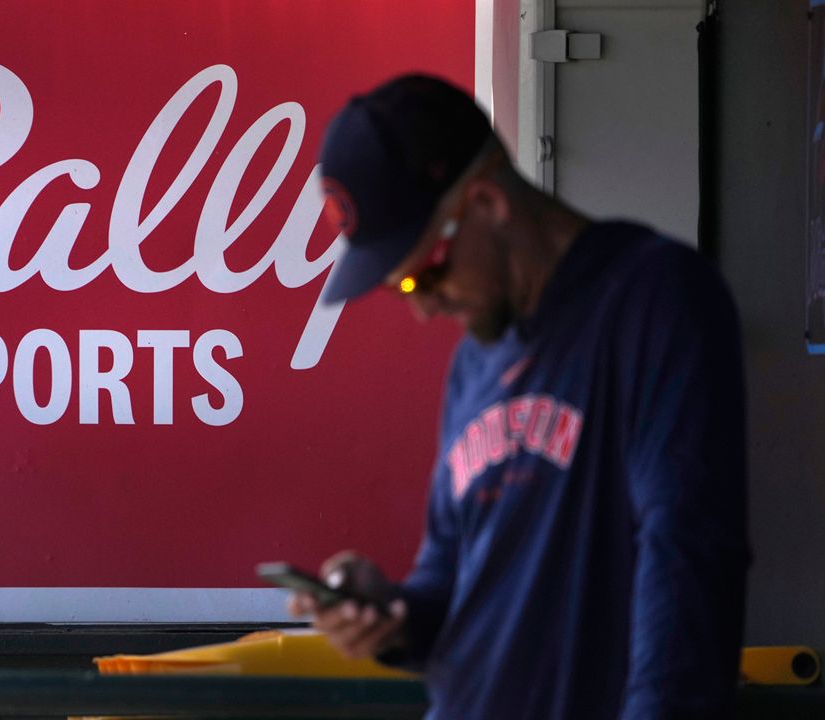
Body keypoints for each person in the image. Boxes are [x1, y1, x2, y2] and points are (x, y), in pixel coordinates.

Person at [289, 75, 750, 719]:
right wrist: (392, 618)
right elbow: (450, 576)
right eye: (399, 289)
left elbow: (686, 556)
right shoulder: (474, 361)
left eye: (424, 273)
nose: (421, 308)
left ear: (486, 203)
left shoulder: (655, 299)